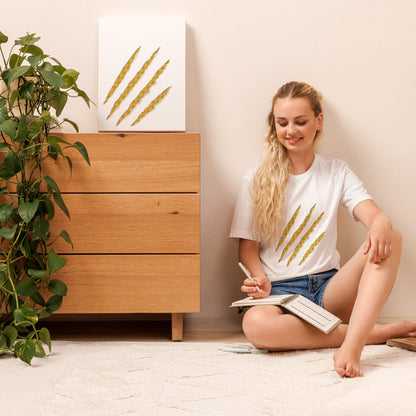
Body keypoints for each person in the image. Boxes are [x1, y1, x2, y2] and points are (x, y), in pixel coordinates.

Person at [229, 81, 416, 378]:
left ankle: (352, 346)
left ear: (318, 121)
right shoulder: (256, 178)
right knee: (256, 326)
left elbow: (370, 213)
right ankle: (373, 333)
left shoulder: (336, 172)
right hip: (280, 295)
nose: (291, 130)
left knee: (391, 235)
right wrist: (259, 278)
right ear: (274, 126)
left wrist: (380, 221)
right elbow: (247, 247)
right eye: (283, 122)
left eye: (300, 121)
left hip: (329, 292)